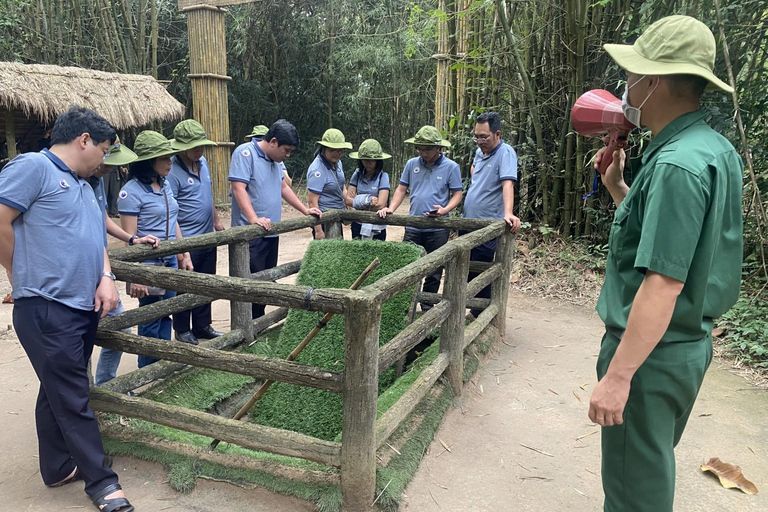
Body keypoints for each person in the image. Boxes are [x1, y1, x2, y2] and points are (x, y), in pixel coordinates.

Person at [587, 15, 743, 512]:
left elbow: (662, 283)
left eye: (631, 76)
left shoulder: (677, 164)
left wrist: (618, 376)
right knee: (646, 468)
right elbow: (669, 247)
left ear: (653, 81)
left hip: (650, 355)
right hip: (679, 347)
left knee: (636, 493)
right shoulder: (711, 149)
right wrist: (617, 189)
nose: (625, 88)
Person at [0, 107, 134, 511]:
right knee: (73, 394)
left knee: (56, 387)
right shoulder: (33, 167)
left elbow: (96, 238)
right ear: (84, 140)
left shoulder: (84, 184)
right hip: (45, 306)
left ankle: (57, 466)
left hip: (80, 306)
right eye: (105, 149)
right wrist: (17, 273)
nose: (105, 160)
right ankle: (102, 483)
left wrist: (106, 275)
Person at [229, 119, 322, 318]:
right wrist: (253, 218)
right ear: (272, 142)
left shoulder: (276, 162)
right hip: (250, 234)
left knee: (266, 281)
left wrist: (304, 210)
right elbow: (238, 188)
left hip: (270, 232)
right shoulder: (245, 153)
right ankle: (245, 327)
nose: (287, 155)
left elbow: (283, 187)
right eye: (286, 150)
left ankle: (259, 323)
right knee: (250, 284)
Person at [118, 130, 194, 366]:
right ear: (149, 162)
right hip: (148, 261)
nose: (170, 162)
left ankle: (162, 363)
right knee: (150, 314)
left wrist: (183, 253)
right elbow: (129, 237)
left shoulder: (165, 185)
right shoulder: (130, 192)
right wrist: (136, 274)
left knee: (166, 312)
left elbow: (174, 220)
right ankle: (148, 367)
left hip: (170, 257)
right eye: (164, 158)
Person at [92, 137, 160, 386]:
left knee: (119, 328)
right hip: (85, 270)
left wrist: (132, 239)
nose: (111, 167)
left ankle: (104, 384)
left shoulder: (97, 182)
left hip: (101, 268)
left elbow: (103, 220)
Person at [378, 125, 463, 311]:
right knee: (409, 267)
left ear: (438, 148)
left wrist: (444, 209)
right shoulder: (411, 164)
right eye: (419, 148)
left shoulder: (451, 167)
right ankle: (404, 307)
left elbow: (457, 194)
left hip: (438, 228)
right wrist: (391, 208)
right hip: (413, 226)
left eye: (427, 148)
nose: (423, 152)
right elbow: (402, 189)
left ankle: (426, 308)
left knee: (434, 270)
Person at [168, 119, 225, 345]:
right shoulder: (171, 170)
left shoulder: (203, 163)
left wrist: (217, 220)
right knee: (185, 286)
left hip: (206, 236)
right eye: (194, 146)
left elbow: (208, 194)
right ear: (181, 146)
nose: (199, 149)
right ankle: (182, 328)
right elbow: (170, 210)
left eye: (201, 144)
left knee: (205, 282)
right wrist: (181, 248)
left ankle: (202, 325)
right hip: (187, 239)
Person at [462, 112, 522, 317]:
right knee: (466, 267)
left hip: (487, 223)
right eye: (476, 136)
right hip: (468, 221)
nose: (479, 141)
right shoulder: (480, 153)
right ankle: (473, 309)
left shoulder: (505, 152)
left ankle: (481, 314)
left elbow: (508, 183)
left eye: (484, 137)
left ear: (497, 134)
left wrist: (508, 212)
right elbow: (474, 169)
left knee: (483, 268)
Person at [306, 128, 352, 239]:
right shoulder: (317, 170)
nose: (337, 154)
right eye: (333, 150)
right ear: (324, 149)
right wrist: (318, 230)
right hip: (323, 219)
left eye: (340, 150)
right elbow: (312, 202)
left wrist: (351, 203)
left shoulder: (338, 163)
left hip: (337, 216)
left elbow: (342, 187)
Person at [345, 139, 391, 240]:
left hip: (377, 224)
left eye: (371, 160)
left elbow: (381, 204)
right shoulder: (357, 174)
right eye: (365, 160)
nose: (368, 163)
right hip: (357, 223)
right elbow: (348, 200)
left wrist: (357, 201)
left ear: (377, 161)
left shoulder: (383, 177)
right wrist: (368, 200)